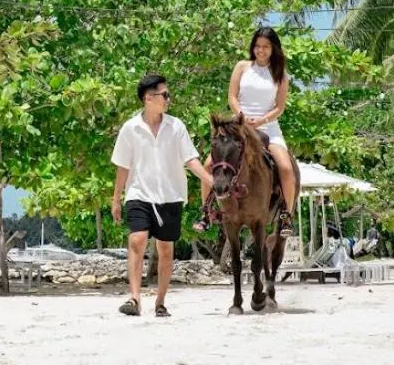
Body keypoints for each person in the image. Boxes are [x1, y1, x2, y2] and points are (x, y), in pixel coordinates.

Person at [111, 72, 214, 318]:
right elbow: (123, 166)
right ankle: (134, 298)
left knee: (166, 249)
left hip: (170, 195)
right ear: (148, 98)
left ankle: (160, 301)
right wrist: (116, 198)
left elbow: (190, 159)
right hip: (139, 193)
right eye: (164, 95)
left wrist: (210, 180)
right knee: (137, 240)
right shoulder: (130, 128)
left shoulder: (176, 126)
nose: (168, 99)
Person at [194, 26, 300, 236]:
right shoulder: (242, 66)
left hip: (268, 126)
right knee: (207, 165)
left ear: (273, 49)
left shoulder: (281, 75)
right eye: (257, 46)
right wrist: (242, 116)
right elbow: (232, 96)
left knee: (286, 168)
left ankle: (286, 215)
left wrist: (262, 120)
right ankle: (206, 211)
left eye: (266, 47)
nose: (261, 50)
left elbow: (280, 107)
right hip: (238, 126)